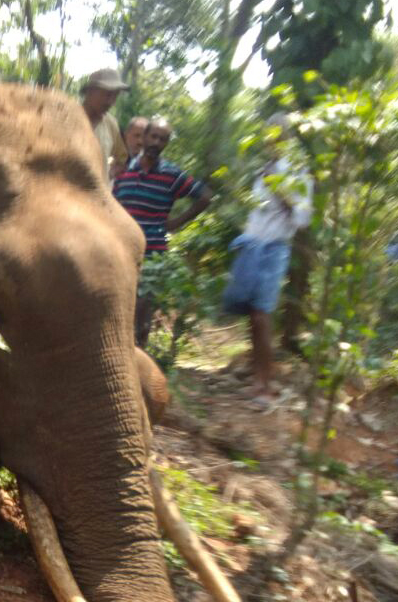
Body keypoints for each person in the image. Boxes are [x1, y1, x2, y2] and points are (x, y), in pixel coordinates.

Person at [222, 113, 313, 407]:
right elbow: (256, 210)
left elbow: (302, 219)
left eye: (278, 134)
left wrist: (281, 189)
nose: (272, 140)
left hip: (275, 248)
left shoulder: (299, 172)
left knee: (262, 315)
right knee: (252, 314)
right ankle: (257, 379)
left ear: (287, 138)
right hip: (252, 245)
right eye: (269, 134)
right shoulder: (261, 170)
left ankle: (267, 386)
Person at [113, 117, 213, 345]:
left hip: (152, 253)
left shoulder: (171, 175)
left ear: (166, 143)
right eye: (153, 136)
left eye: (163, 139)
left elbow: (205, 196)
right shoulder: (123, 170)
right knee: (118, 308)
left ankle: (139, 364)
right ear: (145, 137)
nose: (156, 142)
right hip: (119, 252)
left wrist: (177, 222)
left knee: (142, 314)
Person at [80, 67, 129, 182]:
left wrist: (108, 175)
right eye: (107, 94)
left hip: (98, 198)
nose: (111, 102)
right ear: (90, 92)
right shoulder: (65, 118)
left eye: (115, 96)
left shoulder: (110, 123)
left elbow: (122, 159)